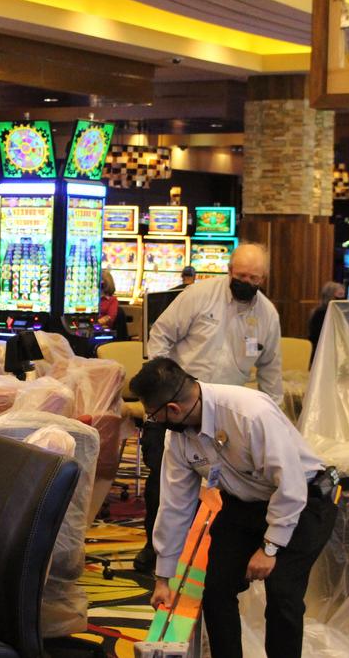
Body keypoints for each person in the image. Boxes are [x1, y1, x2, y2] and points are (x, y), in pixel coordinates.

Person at [132, 357, 335, 658]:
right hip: (243, 505)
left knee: (282, 594)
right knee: (216, 589)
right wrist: (163, 577)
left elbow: (290, 485)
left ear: (172, 410)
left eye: (153, 416)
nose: (153, 423)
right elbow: (175, 504)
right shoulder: (177, 436)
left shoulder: (249, 414)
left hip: (302, 502)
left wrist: (269, 547)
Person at [133, 242, 283, 574]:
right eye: (241, 275)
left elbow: (271, 369)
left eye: (254, 278)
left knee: (226, 485)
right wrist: (166, 385)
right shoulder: (199, 296)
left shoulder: (267, 315)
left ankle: (211, 553)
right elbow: (160, 335)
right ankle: (156, 551)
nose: (246, 282)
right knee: (165, 480)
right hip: (177, 406)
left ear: (264, 279)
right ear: (230, 271)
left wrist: (277, 420)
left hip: (226, 415)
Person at [307, 281, 346, 366]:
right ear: (330, 296)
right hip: (322, 356)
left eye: (343, 295)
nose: (343, 298)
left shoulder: (339, 313)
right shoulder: (320, 313)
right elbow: (320, 338)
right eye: (340, 295)